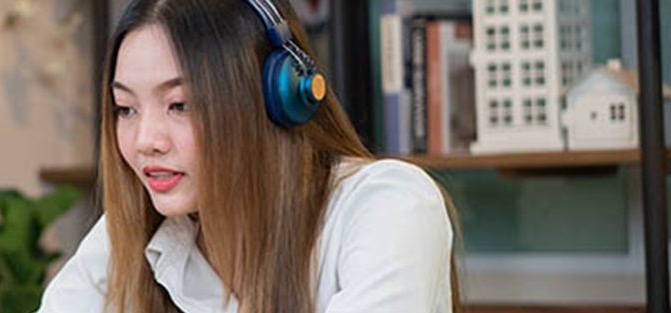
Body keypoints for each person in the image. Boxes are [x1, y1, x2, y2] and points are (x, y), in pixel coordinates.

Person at [36, 0, 460, 312]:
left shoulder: (388, 205)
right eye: (126, 109)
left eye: (180, 105)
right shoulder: (132, 233)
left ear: (277, 100)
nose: (145, 140)